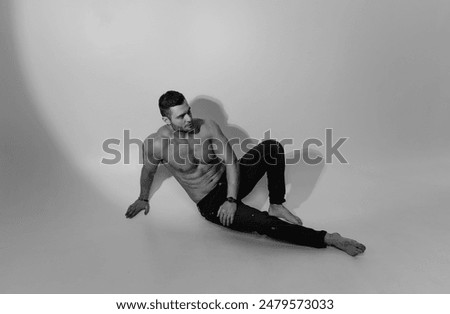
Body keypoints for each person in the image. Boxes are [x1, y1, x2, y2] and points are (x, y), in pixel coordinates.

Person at [125, 91, 366, 256]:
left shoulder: (206, 126)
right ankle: (327, 238)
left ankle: (277, 203)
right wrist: (143, 197)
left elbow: (231, 162)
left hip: (230, 183)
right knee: (263, 224)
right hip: (211, 202)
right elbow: (148, 172)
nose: (189, 118)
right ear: (166, 119)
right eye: (181, 116)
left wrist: (232, 199)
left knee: (271, 147)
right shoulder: (156, 144)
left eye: (189, 111)